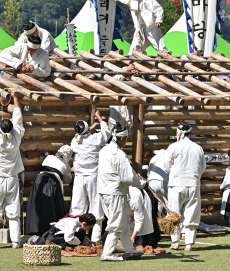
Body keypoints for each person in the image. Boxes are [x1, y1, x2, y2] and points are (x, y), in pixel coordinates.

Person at [97, 121, 146, 261]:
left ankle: (129, 249)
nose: (126, 141)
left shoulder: (103, 150)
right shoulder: (120, 155)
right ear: (120, 138)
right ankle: (107, 253)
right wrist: (141, 183)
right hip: (115, 192)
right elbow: (127, 178)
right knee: (116, 223)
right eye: (125, 138)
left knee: (122, 220)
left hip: (104, 191)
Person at [0, 90, 25, 250]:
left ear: (0, 129)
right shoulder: (16, 139)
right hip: (11, 179)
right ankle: (16, 241)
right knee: (14, 213)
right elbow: (18, 121)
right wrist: (15, 99)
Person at [69, 111, 112, 243]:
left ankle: (76, 237)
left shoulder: (75, 141)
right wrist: (99, 118)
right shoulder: (95, 138)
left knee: (77, 208)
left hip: (79, 178)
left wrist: (89, 129)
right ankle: (95, 239)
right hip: (93, 177)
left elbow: (80, 135)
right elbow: (107, 133)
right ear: (88, 129)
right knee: (96, 208)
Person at [94, 0, 167, 55]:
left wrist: (159, 20)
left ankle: (168, 60)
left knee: (161, 48)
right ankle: (133, 64)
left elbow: (158, 8)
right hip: (139, 29)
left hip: (151, 28)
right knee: (134, 50)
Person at [163, 122, 206, 252]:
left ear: (178, 133)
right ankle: (189, 244)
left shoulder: (173, 147)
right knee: (191, 214)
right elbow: (202, 167)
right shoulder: (198, 148)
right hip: (193, 184)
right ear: (190, 133)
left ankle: (175, 242)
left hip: (176, 184)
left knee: (174, 213)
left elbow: (166, 166)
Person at [25, 145, 73, 237]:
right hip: (52, 182)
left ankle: (36, 229)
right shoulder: (66, 166)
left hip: (39, 180)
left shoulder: (49, 157)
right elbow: (67, 180)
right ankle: (50, 229)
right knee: (50, 206)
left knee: (38, 204)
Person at [147, 149, 168, 216]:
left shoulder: (157, 156)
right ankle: (171, 225)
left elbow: (150, 168)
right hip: (164, 182)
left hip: (152, 182)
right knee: (169, 206)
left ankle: (154, 225)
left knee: (156, 207)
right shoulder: (169, 155)